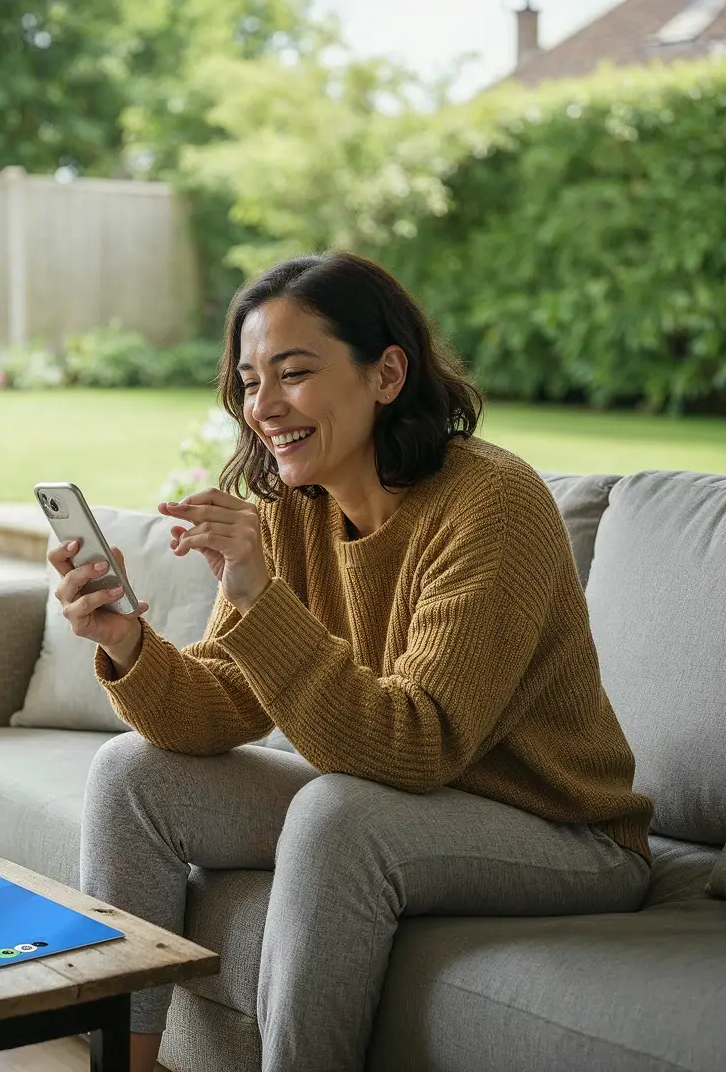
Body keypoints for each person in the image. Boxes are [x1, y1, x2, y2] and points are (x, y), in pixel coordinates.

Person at [48, 252, 653, 1072]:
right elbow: (220, 705)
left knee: (340, 813)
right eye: (250, 381)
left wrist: (262, 601)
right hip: (410, 807)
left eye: (293, 373)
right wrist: (127, 643)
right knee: (130, 774)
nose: (264, 407)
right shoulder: (295, 511)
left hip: (562, 830)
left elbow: (417, 747)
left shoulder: (493, 504)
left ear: (388, 373)